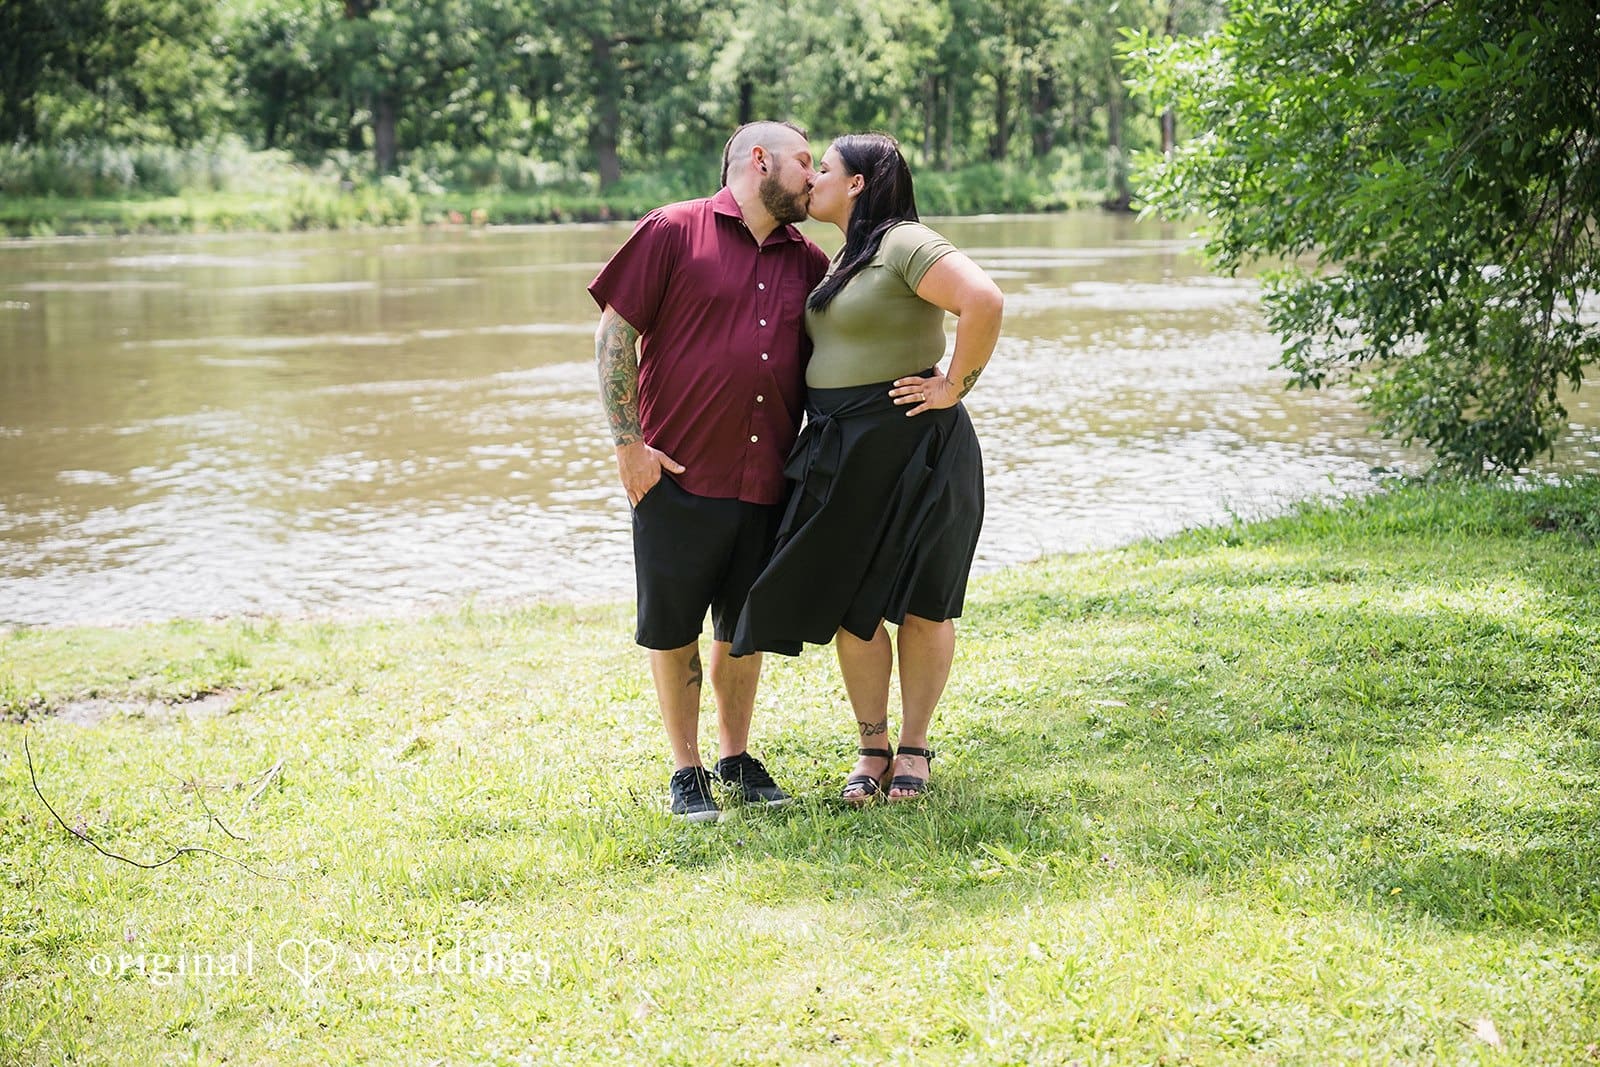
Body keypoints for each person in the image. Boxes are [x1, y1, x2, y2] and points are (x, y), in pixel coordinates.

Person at [731, 132, 1003, 805]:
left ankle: (913, 747)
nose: (812, 179)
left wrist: (952, 385)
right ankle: (870, 745)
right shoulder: (844, 258)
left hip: (915, 445)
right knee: (855, 609)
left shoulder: (904, 242)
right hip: (844, 448)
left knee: (924, 601)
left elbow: (984, 300)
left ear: (856, 183)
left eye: (822, 169)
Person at [588, 121, 830, 822]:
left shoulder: (806, 259)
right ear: (760, 161)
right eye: (804, 163)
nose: (813, 177)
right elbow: (615, 333)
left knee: (741, 626)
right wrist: (628, 446)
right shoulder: (671, 230)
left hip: (767, 477)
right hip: (676, 472)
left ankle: (734, 755)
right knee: (672, 627)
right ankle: (686, 768)